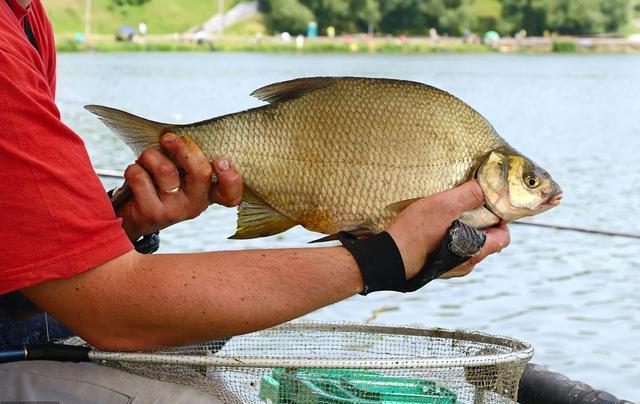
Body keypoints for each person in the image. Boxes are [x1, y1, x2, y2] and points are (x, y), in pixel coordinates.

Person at [0, 0, 510, 401]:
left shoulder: (28, 19)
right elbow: (111, 312)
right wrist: (385, 259)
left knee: (207, 348)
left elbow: (30, 270)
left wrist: (121, 222)